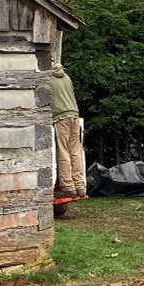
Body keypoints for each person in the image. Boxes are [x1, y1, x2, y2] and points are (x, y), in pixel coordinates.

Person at [49, 63, 86, 198]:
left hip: (61, 117)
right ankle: (80, 186)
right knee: (75, 152)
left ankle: (68, 187)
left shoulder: (48, 79)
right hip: (74, 116)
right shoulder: (66, 77)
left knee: (63, 151)